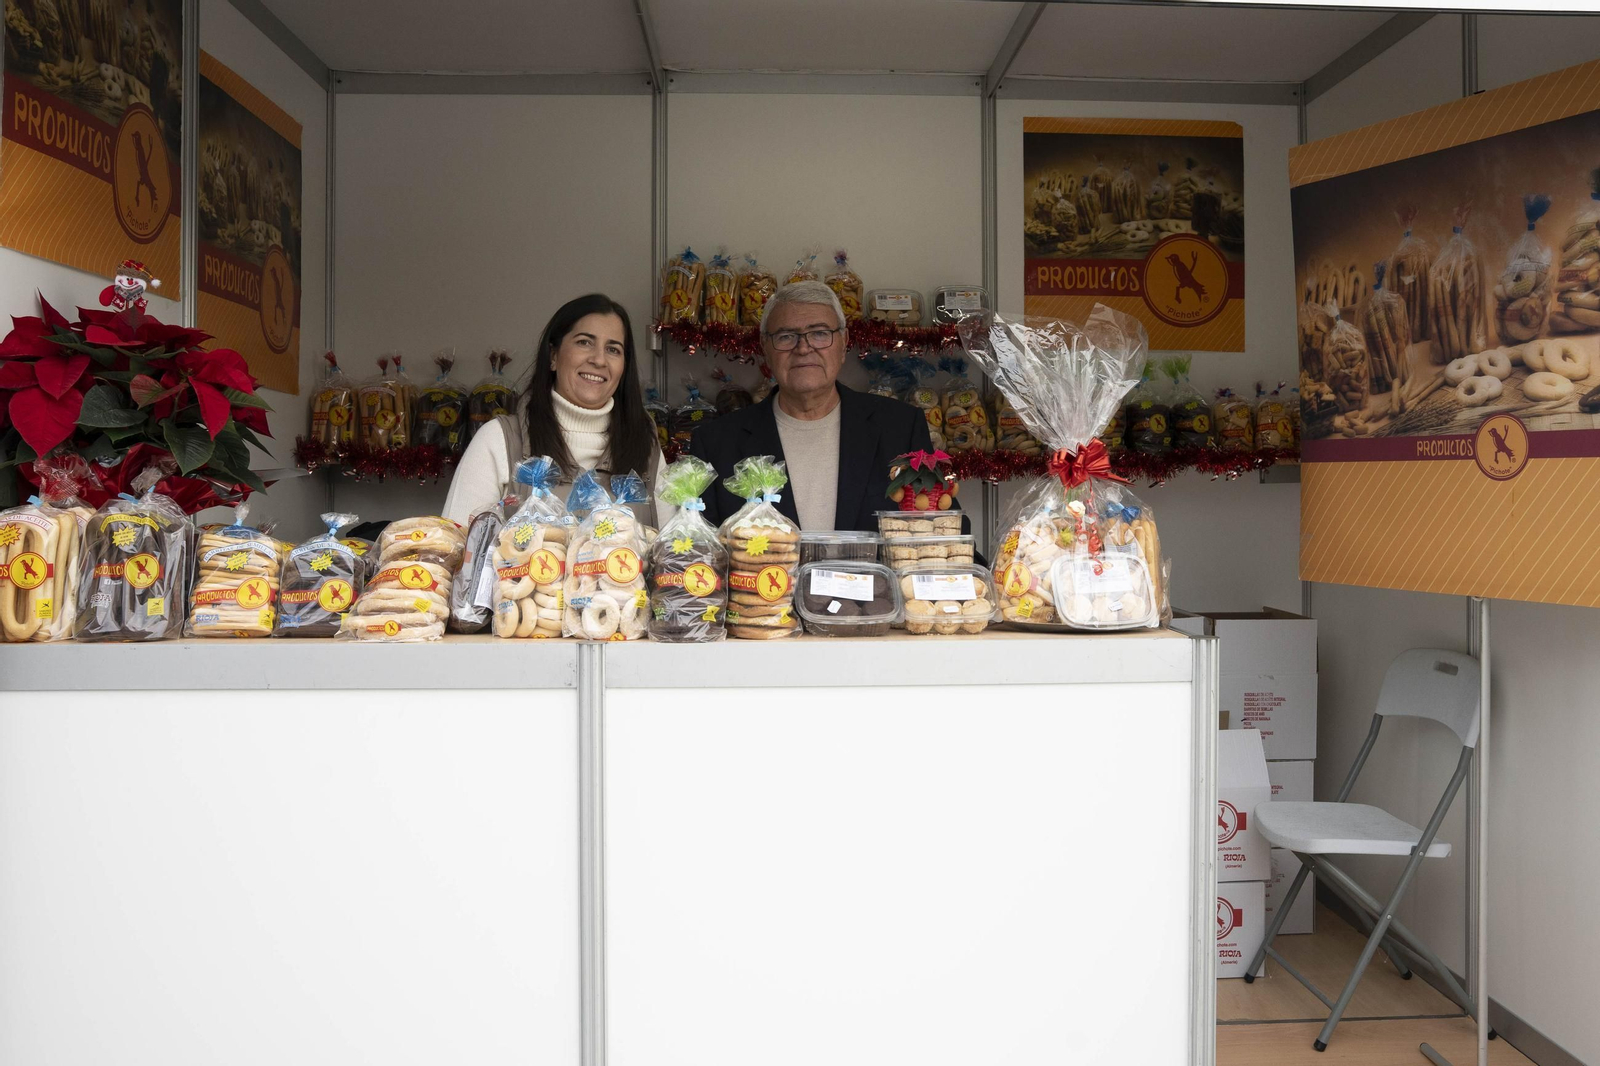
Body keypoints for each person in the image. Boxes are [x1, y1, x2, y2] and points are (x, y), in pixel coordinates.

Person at [689, 280, 938, 531]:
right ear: (765, 348)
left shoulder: (900, 428)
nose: (804, 348)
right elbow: (699, 553)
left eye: (820, 333)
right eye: (786, 336)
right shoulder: (715, 444)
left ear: (843, 343)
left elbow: (945, 530)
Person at [443, 294, 666, 525]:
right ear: (553, 355)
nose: (599, 360)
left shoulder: (645, 444)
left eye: (613, 349)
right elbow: (457, 550)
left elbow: (674, 552)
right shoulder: (498, 440)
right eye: (584, 342)